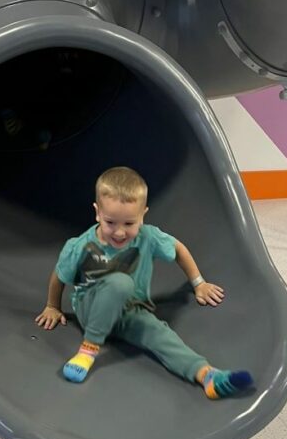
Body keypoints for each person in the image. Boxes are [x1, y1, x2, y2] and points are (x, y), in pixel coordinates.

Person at [35, 166, 253, 400]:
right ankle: (88, 349)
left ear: (143, 215)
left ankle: (207, 376)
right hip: (90, 309)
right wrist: (52, 306)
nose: (119, 232)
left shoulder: (148, 236)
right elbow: (60, 275)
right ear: (97, 213)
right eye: (110, 222)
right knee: (120, 283)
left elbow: (178, 248)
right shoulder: (81, 245)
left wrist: (198, 283)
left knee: (160, 333)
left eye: (129, 224)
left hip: (129, 311)